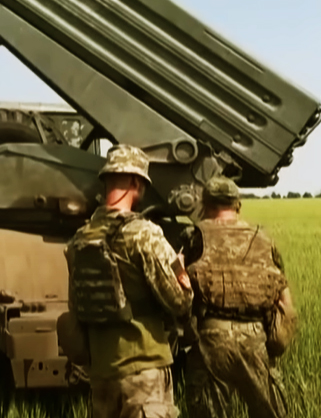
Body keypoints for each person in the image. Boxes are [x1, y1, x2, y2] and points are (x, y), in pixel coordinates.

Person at [61, 144, 193, 418]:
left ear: (107, 179)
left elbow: (77, 306)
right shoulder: (144, 234)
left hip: (102, 375)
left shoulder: (79, 239)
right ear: (136, 182)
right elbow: (180, 302)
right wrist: (180, 271)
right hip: (144, 373)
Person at [181, 176, 298, 418]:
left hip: (210, 339)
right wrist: (277, 339)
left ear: (205, 205)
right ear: (238, 205)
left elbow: (178, 288)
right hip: (255, 337)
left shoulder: (193, 236)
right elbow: (284, 299)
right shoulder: (263, 239)